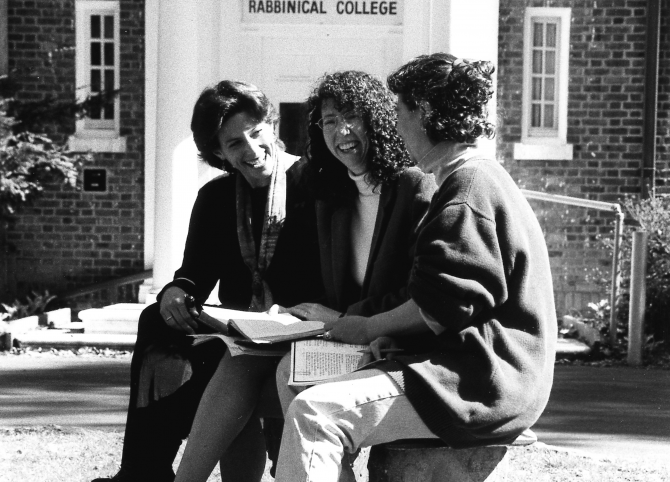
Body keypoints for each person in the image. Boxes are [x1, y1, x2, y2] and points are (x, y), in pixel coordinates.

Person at [272, 53, 558, 482]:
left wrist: (367, 327)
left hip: (480, 383)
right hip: (458, 368)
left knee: (315, 414)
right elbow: (449, 302)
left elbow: (441, 307)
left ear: (422, 113)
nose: (396, 122)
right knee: (296, 379)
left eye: (399, 110)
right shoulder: (470, 178)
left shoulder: (466, 188)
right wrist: (393, 334)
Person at [172, 70, 436, 482]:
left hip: (386, 340)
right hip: (336, 329)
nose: (341, 132)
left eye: (352, 117)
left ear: (378, 119)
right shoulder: (336, 194)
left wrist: (343, 320)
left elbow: (422, 293)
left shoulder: (410, 188)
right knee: (244, 364)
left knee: (272, 373)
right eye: (329, 122)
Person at [93, 80, 323, 482]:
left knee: (231, 369)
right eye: (234, 144)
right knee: (155, 320)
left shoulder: (316, 184)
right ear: (219, 153)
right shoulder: (216, 197)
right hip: (241, 332)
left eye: (256, 133)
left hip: (303, 327)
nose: (251, 150)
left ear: (273, 126)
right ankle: (143, 470)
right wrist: (176, 291)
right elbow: (194, 275)